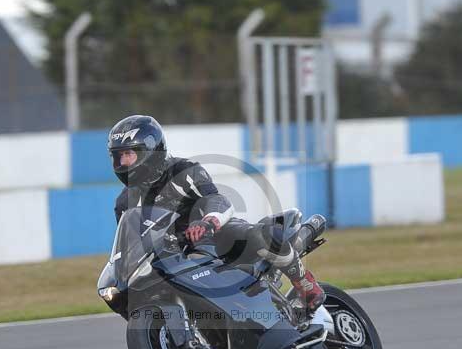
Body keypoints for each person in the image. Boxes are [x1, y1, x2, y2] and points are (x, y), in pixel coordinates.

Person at [109, 114, 325, 312]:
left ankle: (305, 284)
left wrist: (208, 222)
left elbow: (216, 199)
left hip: (215, 235)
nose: (123, 163)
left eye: (129, 154)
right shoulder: (124, 203)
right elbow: (130, 241)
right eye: (118, 156)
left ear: (152, 150)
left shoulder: (183, 172)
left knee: (263, 235)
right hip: (173, 258)